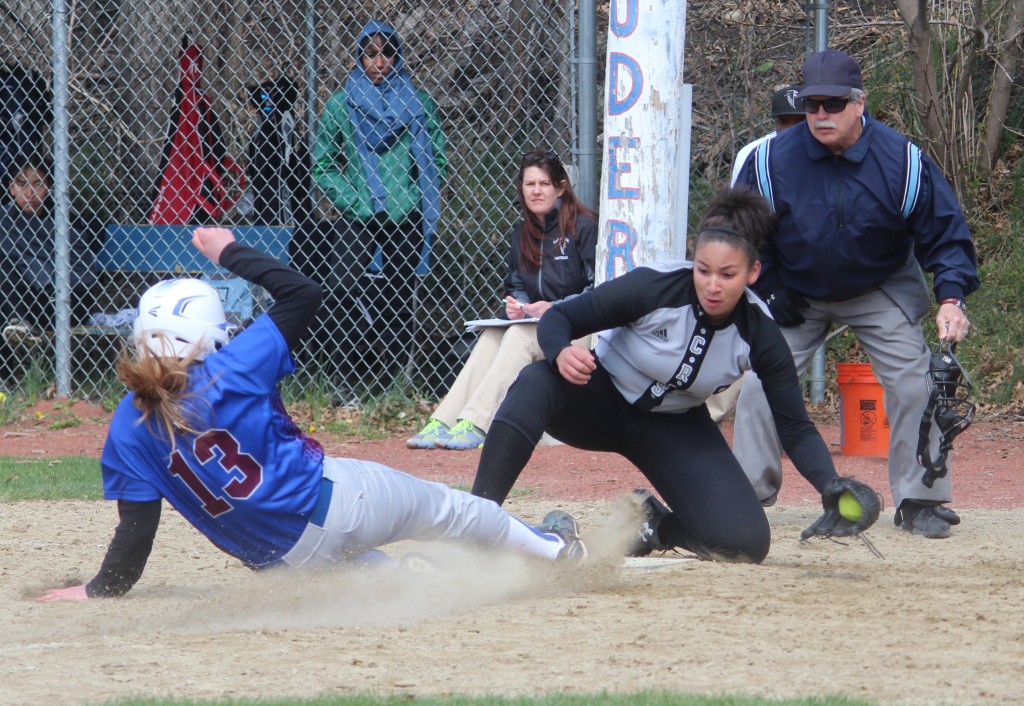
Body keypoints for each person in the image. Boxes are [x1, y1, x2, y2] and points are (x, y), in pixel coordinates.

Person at [35, 227, 586, 602]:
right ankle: (555, 550)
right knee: (453, 511)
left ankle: (447, 576)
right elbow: (302, 293)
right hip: (338, 505)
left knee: (392, 582)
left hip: (285, 565)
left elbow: (135, 537)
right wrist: (231, 252)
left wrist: (97, 589)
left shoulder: (125, 428)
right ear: (208, 334)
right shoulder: (233, 368)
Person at [469, 188, 849, 564]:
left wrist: (830, 485)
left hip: (675, 428)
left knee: (745, 542)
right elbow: (560, 317)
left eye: (727, 274)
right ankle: (476, 522)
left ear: (753, 273)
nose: (712, 286)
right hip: (601, 401)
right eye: (703, 270)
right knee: (537, 380)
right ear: (693, 261)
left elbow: (795, 426)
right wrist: (562, 351)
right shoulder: (655, 286)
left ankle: (654, 526)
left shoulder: (761, 333)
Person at [732, 49, 979, 539]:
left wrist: (951, 297)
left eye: (833, 103)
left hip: (877, 283)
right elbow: (737, 232)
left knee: (916, 385)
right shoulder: (769, 160)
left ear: (859, 103)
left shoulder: (904, 161)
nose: (821, 114)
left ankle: (920, 500)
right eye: (811, 104)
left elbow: (945, 235)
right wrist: (767, 285)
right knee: (760, 386)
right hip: (796, 289)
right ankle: (746, 496)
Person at [406, 150, 597, 450]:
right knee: (493, 334)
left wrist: (555, 307)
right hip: (540, 324)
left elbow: (597, 289)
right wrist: (517, 305)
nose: (536, 190)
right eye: (529, 183)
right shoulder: (523, 232)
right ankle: (445, 420)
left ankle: (477, 423)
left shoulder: (583, 227)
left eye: (544, 184)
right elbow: (517, 284)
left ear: (560, 188)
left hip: (579, 329)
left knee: (520, 334)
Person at [313, 19, 448, 401]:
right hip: (359, 213)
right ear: (359, 57)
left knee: (400, 293)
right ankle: (342, 380)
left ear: (398, 56)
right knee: (340, 288)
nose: (380, 62)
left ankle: (396, 386)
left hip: (406, 213)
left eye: (387, 53)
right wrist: (355, 199)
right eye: (370, 54)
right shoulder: (342, 104)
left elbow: (438, 155)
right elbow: (323, 164)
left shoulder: (418, 103)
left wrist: (415, 193)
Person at [706, 84, 805, 422]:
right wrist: (768, 284)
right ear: (774, 123)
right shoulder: (756, 154)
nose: (791, 129)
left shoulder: (826, 151)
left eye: (799, 121)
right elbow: (743, 225)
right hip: (768, 267)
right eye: (784, 121)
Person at [0, 154, 98, 372]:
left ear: (50, 186)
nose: (30, 194)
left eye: (38, 184)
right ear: (11, 188)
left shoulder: (66, 218)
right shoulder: (4, 219)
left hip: (65, 301)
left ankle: (20, 328)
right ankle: (6, 372)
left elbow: (85, 274)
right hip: (19, 300)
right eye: (22, 184)